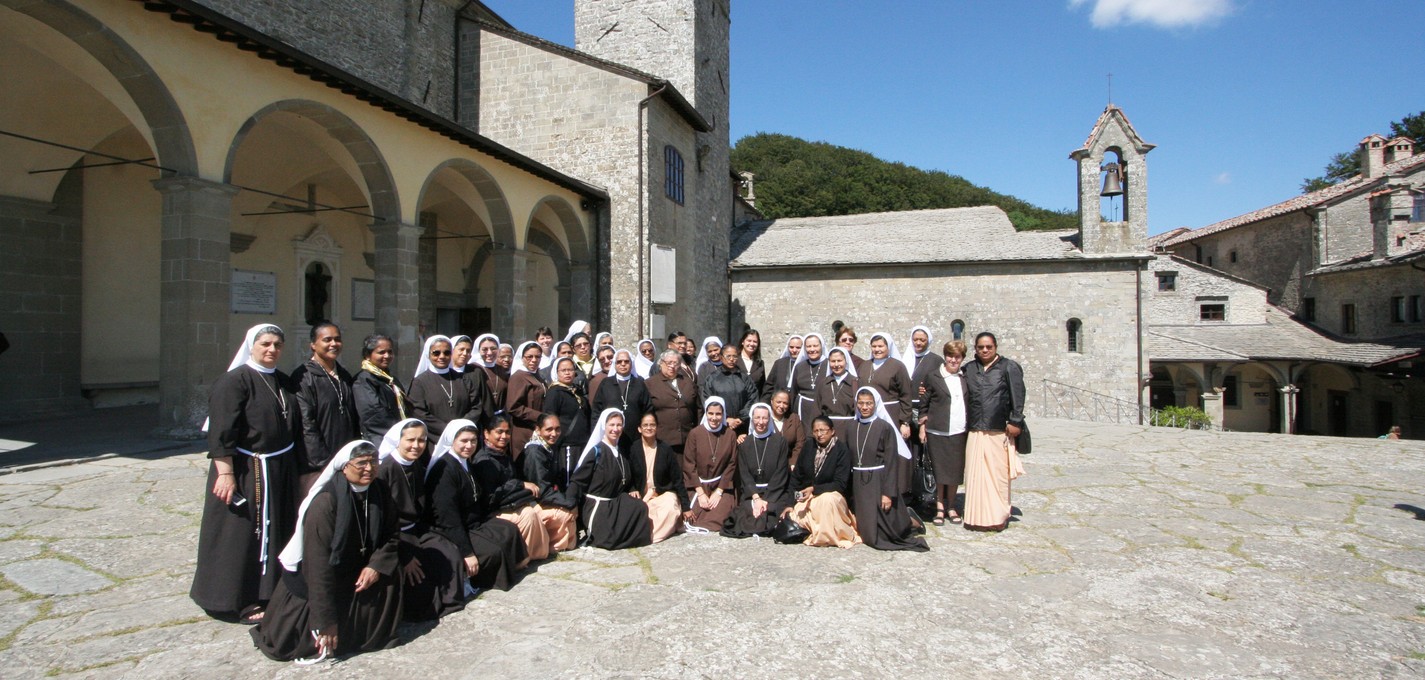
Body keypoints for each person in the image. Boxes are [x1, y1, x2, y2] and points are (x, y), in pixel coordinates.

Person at [252, 441, 402, 662]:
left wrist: (375, 565)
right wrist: (325, 622)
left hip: (357, 569)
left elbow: (392, 533)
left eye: (373, 462)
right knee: (303, 643)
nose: (369, 468)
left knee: (391, 573)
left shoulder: (379, 489)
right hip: (322, 576)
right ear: (344, 466)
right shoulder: (325, 504)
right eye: (361, 463)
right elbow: (317, 565)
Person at [192, 324, 302, 624]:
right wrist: (224, 474)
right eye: (265, 343)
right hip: (246, 470)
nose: (272, 350)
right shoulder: (235, 381)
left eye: (277, 344)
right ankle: (235, 598)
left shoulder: (281, 380)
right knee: (242, 535)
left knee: (275, 530)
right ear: (251, 346)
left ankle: (269, 591)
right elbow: (221, 433)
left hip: (279, 467)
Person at [375, 418, 466, 622]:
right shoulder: (385, 471)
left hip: (417, 529)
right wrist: (404, 555)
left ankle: (449, 603)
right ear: (398, 440)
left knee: (450, 553)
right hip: (395, 536)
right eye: (411, 440)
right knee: (418, 573)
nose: (416, 446)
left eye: (422, 440)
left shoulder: (416, 465)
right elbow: (384, 522)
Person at [424, 419, 529, 592]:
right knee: (494, 551)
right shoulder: (444, 470)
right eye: (464, 441)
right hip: (452, 529)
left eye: (473, 441)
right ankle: (485, 579)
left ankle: (512, 567)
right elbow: (447, 516)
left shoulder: (464, 462)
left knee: (509, 529)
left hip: (473, 522)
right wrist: (467, 553)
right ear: (452, 440)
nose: (469, 445)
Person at [846, 388, 928, 551]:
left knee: (879, 535)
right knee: (867, 533)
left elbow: (891, 462)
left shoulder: (884, 427)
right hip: (859, 481)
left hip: (878, 479)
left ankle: (910, 522)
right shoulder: (851, 426)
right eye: (861, 403)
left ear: (875, 404)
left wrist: (888, 493)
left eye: (868, 403)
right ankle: (906, 518)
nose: (864, 407)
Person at [962, 332, 1026, 532]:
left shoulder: (1008, 367)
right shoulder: (969, 369)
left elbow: (1018, 394)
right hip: (974, 429)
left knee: (997, 476)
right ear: (975, 348)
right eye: (981, 347)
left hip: (998, 429)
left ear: (995, 347)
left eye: (988, 346)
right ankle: (976, 517)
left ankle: (998, 515)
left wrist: (1016, 420)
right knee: (975, 475)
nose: (985, 350)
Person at [570, 409, 653, 549]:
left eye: (619, 425)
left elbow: (624, 477)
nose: (616, 429)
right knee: (609, 539)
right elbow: (578, 481)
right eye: (612, 425)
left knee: (640, 507)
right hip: (597, 507)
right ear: (604, 425)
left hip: (613, 503)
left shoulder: (619, 452)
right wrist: (570, 505)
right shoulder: (596, 452)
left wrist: (632, 489)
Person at [291, 322, 360, 492]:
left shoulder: (343, 375)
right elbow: (307, 423)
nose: (333, 344)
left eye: (337, 339)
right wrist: (323, 463)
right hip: (318, 464)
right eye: (327, 340)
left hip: (345, 457)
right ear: (313, 345)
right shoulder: (303, 377)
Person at [471, 416, 551, 561]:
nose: (504, 436)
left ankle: (537, 552)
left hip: (511, 502)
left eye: (507, 432)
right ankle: (523, 557)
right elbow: (491, 496)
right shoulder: (484, 460)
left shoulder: (503, 454)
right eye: (499, 432)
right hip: (493, 511)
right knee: (528, 514)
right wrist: (520, 484)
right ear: (486, 434)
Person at [721, 403, 792, 538]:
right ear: (752, 419)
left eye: (764, 418)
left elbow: (781, 473)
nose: (760, 422)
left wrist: (765, 500)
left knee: (770, 514)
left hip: (774, 494)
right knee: (744, 515)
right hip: (751, 494)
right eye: (757, 418)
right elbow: (745, 475)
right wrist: (756, 498)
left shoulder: (780, 442)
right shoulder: (745, 443)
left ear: (769, 419)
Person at [919, 340, 969, 525]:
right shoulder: (933, 376)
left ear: (962, 358)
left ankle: (952, 506)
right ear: (945, 356)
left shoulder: (965, 377)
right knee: (939, 472)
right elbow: (924, 403)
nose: (953, 360)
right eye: (950, 356)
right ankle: (940, 507)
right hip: (937, 430)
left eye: (957, 357)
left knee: (955, 472)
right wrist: (923, 427)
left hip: (959, 431)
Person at [790, 415, 859, 548]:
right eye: (816, 431)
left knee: (827, 500)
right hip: (809, 497)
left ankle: (828, 536)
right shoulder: (809, 446)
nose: (819, 434)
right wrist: (790, 502)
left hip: (832, 495)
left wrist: (815, 489)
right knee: (795, 514)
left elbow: (840, 483)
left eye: (823, 430)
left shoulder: (841, 450)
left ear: (832, 431)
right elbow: (797, 477)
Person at [408, 335, 493, 442]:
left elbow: (476, 406)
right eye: (436, 353)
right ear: (428, 354)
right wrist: (448, 430)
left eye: (447, 352)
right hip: (434, 439)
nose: (442, 356)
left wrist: (461, 428)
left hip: (463, 438)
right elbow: (419, 413)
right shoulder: (419, 382)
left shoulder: (463, 378)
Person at [520, 414, 579, 551]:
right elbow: (542, 490)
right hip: (531, 502)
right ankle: (548, 547)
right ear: (538, 430)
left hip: (543, 497)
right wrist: (569, 502)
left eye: (557, 429)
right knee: (567, 514)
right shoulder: (534, 452)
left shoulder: (547, 447)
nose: (554, 433)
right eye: (549, 429)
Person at [682, 397, 737, 532]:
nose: (714, 418)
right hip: (698, 486)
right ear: (705, 413)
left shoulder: (730, 434)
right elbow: (689, 464)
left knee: (720, 516)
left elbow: (732, 464)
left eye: (718, 414)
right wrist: (700, 493)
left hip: (721, 486)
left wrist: (719, 492)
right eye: (710, 413)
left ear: (723, 415)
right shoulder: (695, 433)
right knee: (692, 515)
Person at [631, 412, 687, 543]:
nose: (649, 428)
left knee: (670, 506)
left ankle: (651, 536)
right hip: (642, 497)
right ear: (639, 428)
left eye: (652, 425)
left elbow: (677, 479)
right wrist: (632, 489)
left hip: (661, 495)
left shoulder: (665, 449)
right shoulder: (633, 449)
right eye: (645, 425)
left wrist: (686, 507)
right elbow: (628, 475)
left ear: (657, 428)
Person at [543, 356, 591, 484]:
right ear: (556, 372)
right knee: (569, 480)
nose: (567, 373)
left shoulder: (577, 390)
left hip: (582, 442)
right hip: (567, 444)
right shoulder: (554, 392)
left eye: (570, 369)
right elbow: (550, 417)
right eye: (563, 370)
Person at [353, 334, 407, 445]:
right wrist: (401, 431)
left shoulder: (390, 379)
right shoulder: (363, 380)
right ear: (368, 355)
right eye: (381, 352)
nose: (387, 356)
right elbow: (372, 414)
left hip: (399, 437)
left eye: (390, 352)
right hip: (379, 440)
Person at [593, 349, 652, 445]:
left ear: (631, 364)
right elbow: (596, 411)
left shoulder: (639, 384)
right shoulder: (606, 384)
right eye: (619, 362)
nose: (623, 364)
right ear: (615, 365)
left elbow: (647, 410)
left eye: (626, 361)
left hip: (635, 437)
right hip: (611, 436)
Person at [861, 332, 913, 440]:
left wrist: (905, 422)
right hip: (869, 413)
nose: (877, 349)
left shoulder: (897, 366)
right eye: (874, 346)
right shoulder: (864, 366)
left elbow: (906, 395)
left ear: (888, 347)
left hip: (891, 413)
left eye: (880, 346)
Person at [646, 349, 698, 455]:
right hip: (662, 440)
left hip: (686, 438)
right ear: (661, 363)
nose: (672, 366)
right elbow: (646, 411)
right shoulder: (650, 384)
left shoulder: (687, 382)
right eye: (669, 363)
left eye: (676, 363)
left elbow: (698, 408)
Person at [700, 344, 758, 434]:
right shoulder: (712, 378)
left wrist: (741, 418)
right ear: (721, 357)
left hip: (742, 426)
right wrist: (726, 418)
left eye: (734, 356)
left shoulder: (744, 377)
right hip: (720, 425)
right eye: (728, 356)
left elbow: (753, 398)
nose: (731, 359)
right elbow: (707, 399)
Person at [505, 341, 547, 453]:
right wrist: (539, 416)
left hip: (538, 428)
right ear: (522, 358)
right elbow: (513, 407)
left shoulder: (537, 375)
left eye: (537, 357)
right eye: (529, 357)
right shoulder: (518, 377)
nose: (534, 360)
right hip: (524, 431)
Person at [815, 347, 860, 429]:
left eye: (839, 361)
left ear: (846, 362)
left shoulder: (855, 383)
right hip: (826, 428)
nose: (836, 365)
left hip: (849, 427)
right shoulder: (823, 383)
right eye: (832, 361)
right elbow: (816, 409)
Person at [787, 333, 829, 422]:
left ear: (821, 346)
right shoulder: (800, 367)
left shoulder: (829, 365)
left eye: (815, 346)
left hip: (822, 409)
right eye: (808, 346)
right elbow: (794, 391)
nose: (812, 349)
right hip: (802, 409)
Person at [768, 389, 805, 469]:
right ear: (772, 401)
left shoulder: (794, 418)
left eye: (785, 403)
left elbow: (800, 443)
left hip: (788, 464)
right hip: (768, 464)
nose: (781, 406)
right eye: (778, 402)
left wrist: (793, 462)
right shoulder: (765, 418)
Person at [473, 334, 507, 417]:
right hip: (481, 418)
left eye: (493, 348)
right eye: (484, 349)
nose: (489, 353)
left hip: (500, 418)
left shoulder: (501, 369)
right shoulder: (472, 369)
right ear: (478, 350)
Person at [762, 334, 802, 402]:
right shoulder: (779, 363)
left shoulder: (806, 365)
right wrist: (764, 403)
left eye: (798, 347)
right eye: (791, 347)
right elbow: (769, 386)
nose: (794, 350)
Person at [737, 329, 766, 399]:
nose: (752, 344)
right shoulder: (734, 360)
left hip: (754, 402)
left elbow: (762, 386)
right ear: (743, 342)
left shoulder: (760, 363)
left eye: (755, 342)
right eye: (749, 341)